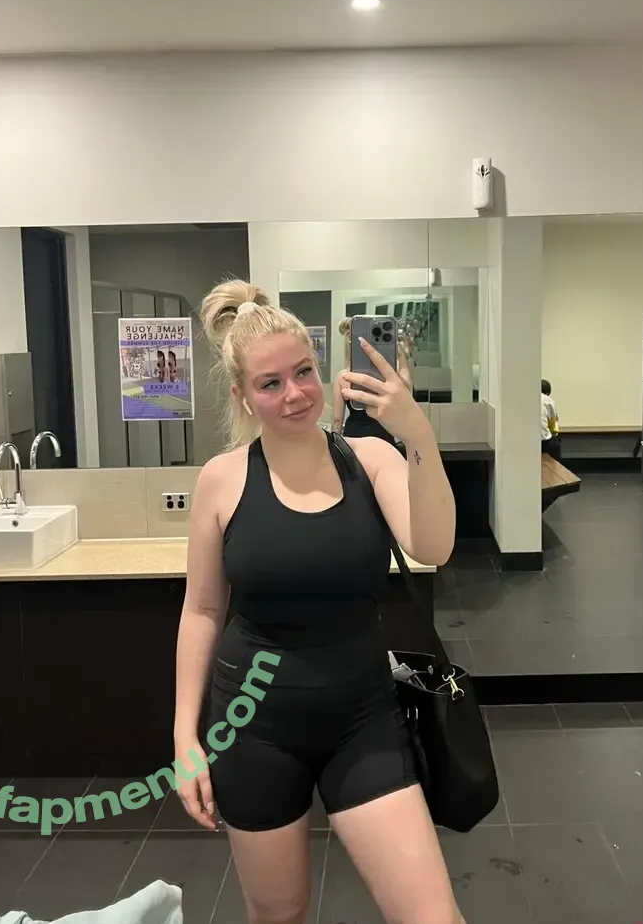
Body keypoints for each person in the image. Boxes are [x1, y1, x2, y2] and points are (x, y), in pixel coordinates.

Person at [173, 280, 463, 924]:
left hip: (363, 720)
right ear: (242, 395)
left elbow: (435, 546)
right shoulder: (221, 480)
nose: (295, 394)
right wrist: (183, 737)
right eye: (270, 383)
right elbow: (202, 612)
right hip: (252, 728)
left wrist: (415, 429)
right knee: (280, 916)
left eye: (303, 372)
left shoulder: (370, 459)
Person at [332, 316, 413, 447]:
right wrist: (399, 352)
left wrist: (335, 449)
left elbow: (337, 421)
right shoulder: (388, 376)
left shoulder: (343, 377)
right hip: (382, 436)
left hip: (354, 437)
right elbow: (406, 391)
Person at [541, 377, 562, 461]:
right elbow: (554, 427)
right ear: (547, 393)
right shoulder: (548, 400)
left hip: (526, 441)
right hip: (543, 441)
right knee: (555, 444)